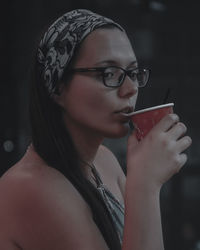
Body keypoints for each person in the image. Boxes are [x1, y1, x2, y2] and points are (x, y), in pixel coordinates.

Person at [0, 9, 192, 250]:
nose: (131, 89)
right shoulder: (28, 188)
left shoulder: (104, 160)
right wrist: (145, 184)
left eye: (133, 73)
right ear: (57, 87)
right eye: (108, 73)